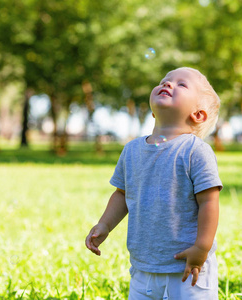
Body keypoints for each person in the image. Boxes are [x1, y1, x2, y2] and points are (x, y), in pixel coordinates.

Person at [85, 67, 223, 300]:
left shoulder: (195, 151)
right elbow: (121, 194)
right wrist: (105, 225)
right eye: (165, 81)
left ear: (198, 115)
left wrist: (202, 248)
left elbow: (209, 201)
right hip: (144, 266)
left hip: (188, 268)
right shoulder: (132, 149)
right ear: (153, 112)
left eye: (181, 85)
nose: (168, 84)